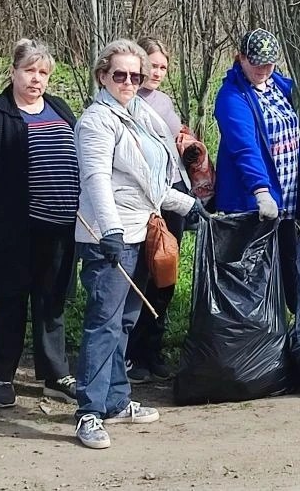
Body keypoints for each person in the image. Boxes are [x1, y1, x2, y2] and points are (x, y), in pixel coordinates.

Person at [72, 39, 203, 450]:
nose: (129, 82)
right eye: (120, 75)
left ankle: (116, 398)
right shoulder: (97, 122)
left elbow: (152, 183)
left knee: (126, 321)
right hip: (109, 237)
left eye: (136, 75)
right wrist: (109, 232)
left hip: (141, 229)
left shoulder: (142, 116)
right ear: (102, 76)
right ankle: (88, 412)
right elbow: (96, 181)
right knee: (103, 323)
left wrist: (189, 205)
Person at [0, 38, 80, 409]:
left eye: (43, 73)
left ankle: (55, 376)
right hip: (12, 228)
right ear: (13, 72)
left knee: (52, 302)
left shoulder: (59, 107)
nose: (36, 79)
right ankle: (2, 376)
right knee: (9, 301)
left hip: (60, 226)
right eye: (30, 70)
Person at [213, 28, 300, 313]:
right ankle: (253, 340)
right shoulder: (231, 97)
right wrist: (260, 190)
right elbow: (245, 147)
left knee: (287, 265)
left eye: (268, 63)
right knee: (252, 276)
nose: (262, 69)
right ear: (241, 58)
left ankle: (293, 329)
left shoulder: (280, 86)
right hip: (253, 202)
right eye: (255, 63)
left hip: (286, 198)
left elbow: (292, 134)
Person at [124, 36, 192, 383]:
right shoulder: (126, 101)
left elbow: (175, 140)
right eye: (152, 66)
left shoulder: (164, 101)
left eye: (164, 67)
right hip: (145, 198)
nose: (157, 73)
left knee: (166, 273)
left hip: (175, 191)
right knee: (143, 274)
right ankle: (132, 353)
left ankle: (154, 347)